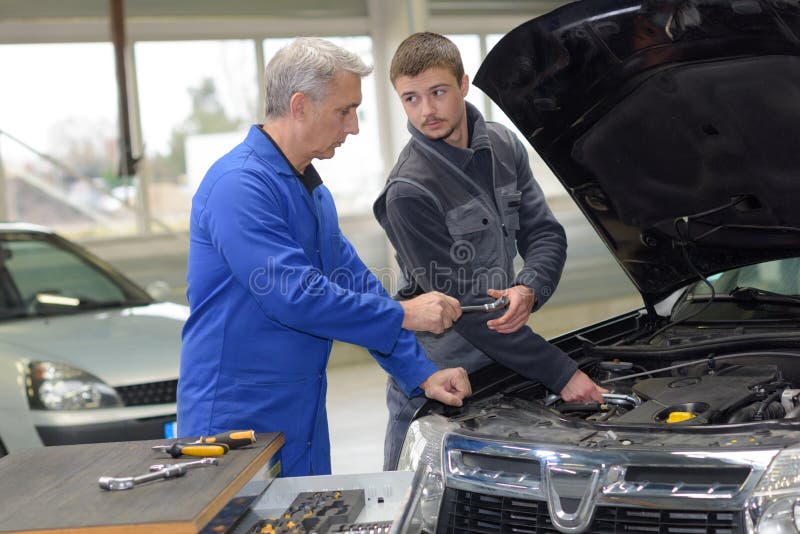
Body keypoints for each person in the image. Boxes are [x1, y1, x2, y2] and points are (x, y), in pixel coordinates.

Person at [177, 37, 472, 478]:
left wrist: (421, 372)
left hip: (302, 411)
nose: (353, 126)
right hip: (234, 420)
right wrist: (404, 314)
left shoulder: (311, 192)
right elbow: (295, 296)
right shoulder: (239, 187)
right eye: (344, 110)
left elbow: (355, 283)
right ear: (300, 106)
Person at [374, 32, 607, 470]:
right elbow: (466, 305)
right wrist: (562, 373)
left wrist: (529, 288)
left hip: (506, 368)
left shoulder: (504, 146)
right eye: (410, 99)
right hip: (440, 385)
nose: (426, 111)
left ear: (463, 85)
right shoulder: (408, 190)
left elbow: (544, 234)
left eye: (438, 92)